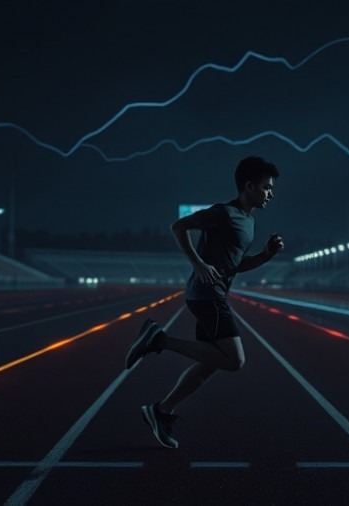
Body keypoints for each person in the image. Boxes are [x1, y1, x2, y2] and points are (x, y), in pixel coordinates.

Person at [124, 155, 283, 449]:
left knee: (209, 364)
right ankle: (159, 340)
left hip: (215, 293)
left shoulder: (249, 221)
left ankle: (161, 411)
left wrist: (265, 256)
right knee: (234, 360)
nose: (270, 193)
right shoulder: (224, 213)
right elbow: (178, 226)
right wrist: (197, 263)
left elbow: (234, 265)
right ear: (248, 186)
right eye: (266, 187)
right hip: (206, 294)